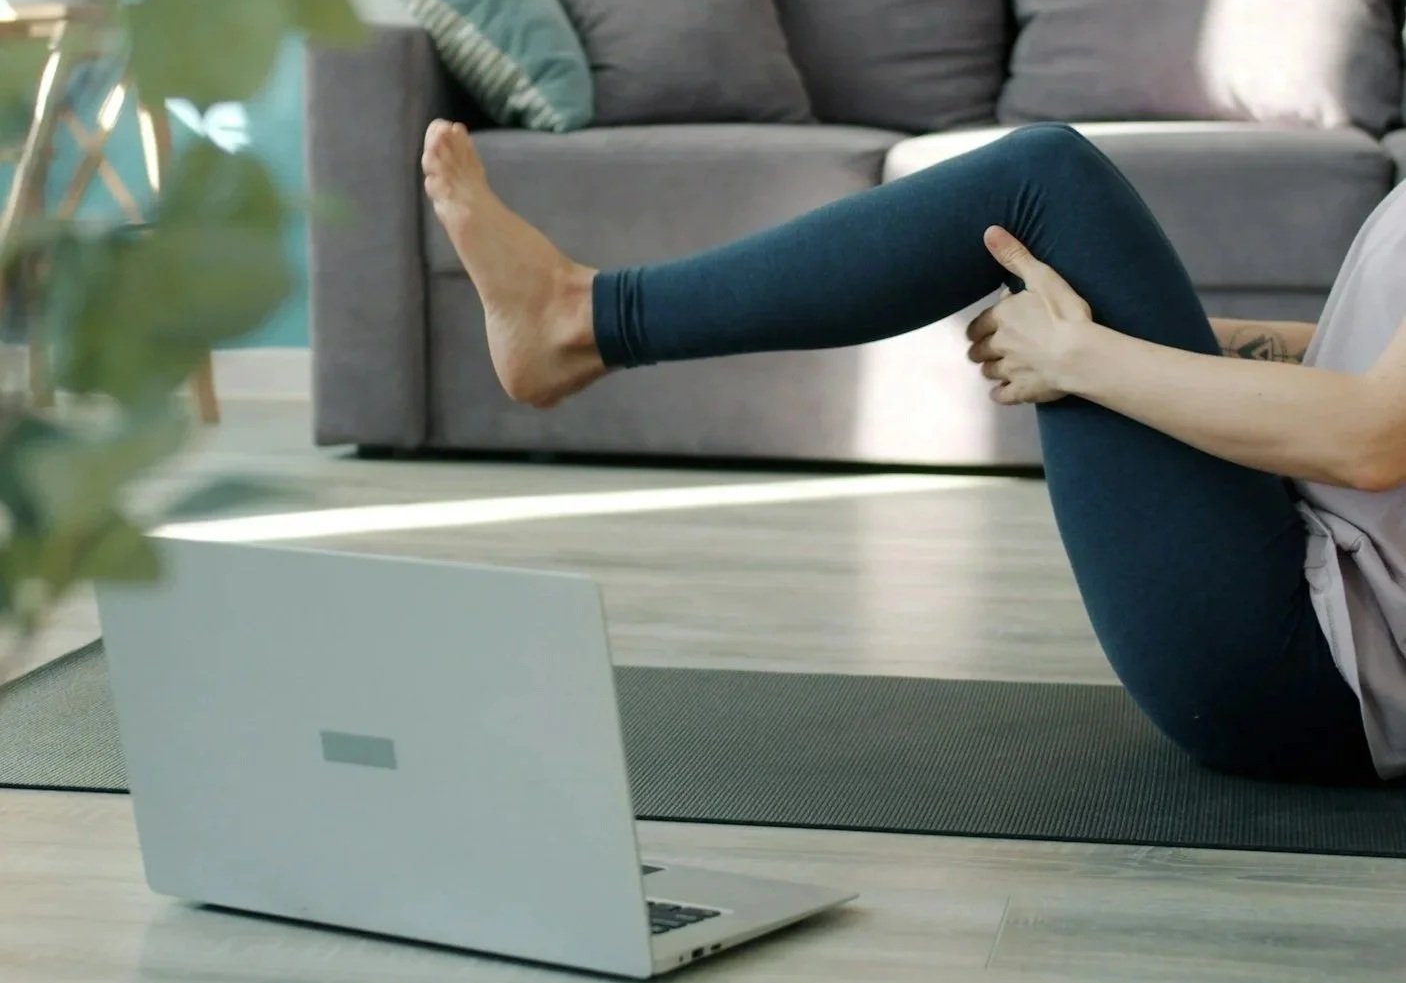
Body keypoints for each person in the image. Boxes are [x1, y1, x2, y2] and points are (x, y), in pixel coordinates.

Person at [420, 117, 1406, 787]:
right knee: (1050, 198)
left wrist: (1082, 354)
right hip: (1303, 609)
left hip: (1306, 677)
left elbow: (1369, 438)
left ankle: (580, 318)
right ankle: (577, 317)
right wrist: (1116, 336)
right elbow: (1362, 363)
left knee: (1043, 180)